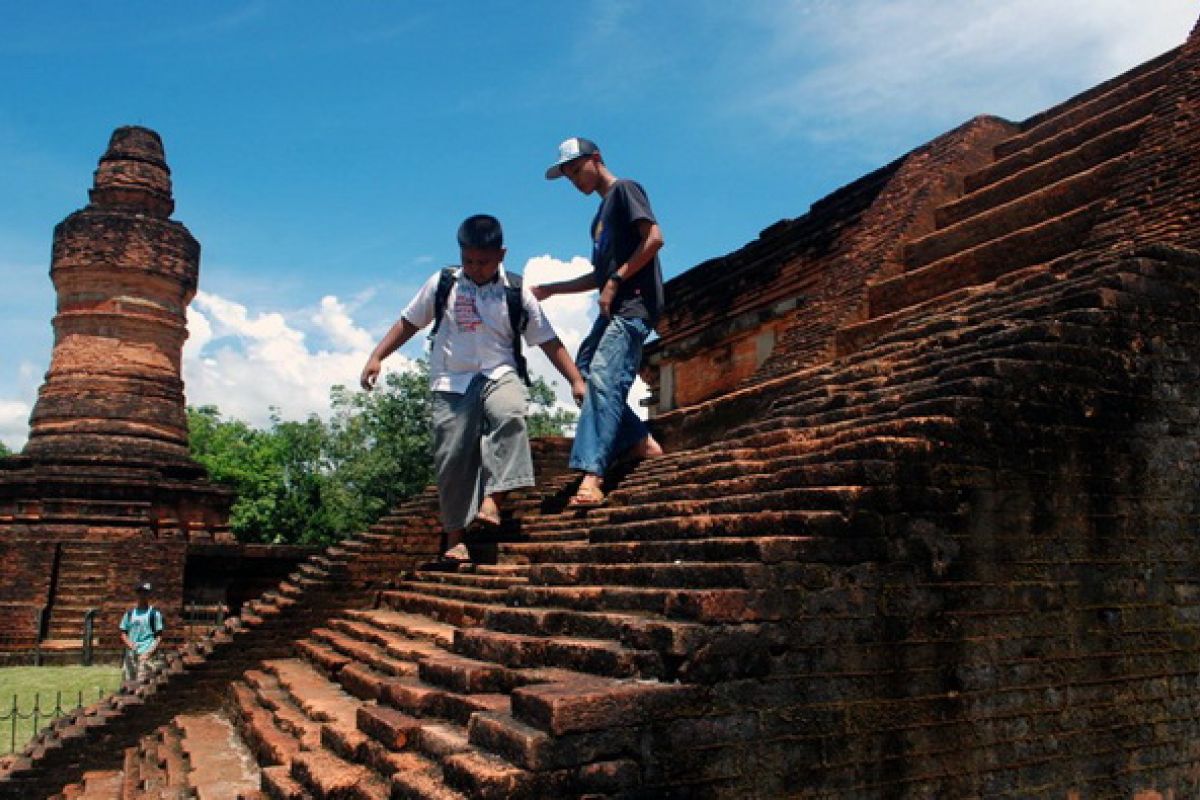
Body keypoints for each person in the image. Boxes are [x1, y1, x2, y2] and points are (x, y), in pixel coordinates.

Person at [361, 214, 586, 563]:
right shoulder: (444, 284)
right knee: (453, 456)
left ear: (501, 254)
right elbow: (409, 322)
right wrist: (377, 356)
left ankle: (493, 501)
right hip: (451, 379)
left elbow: (548, 341)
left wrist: (575, 379)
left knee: (511, 414)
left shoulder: (516, 291)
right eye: (468, 261)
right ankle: (455, 537)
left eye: (483, 262)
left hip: (499, 373)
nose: (475, 268)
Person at [535, 137, 665, 507]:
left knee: (605, 376)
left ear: (596, 159)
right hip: (615, 306)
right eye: (569, 176)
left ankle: (593, 475)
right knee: (585, 371)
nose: (574, 180)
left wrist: (616, 281)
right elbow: (598, 274)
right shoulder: (599, 218)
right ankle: (641, 441)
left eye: (577, 170)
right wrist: (554, 288)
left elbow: (654, 239)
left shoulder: (625, 190)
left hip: (634, 305)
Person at [119, 582, 163, 683]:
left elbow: (159, 637)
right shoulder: (130, 614)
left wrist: (149, 653)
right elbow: (123, 633)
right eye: (141, 593)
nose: (143, 596)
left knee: (142, 684)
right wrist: (130, 644)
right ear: (137, 594)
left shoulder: (154, 614)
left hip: (146, 654)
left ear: (148, 595)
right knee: (127, 684)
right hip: (131, 654)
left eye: (145, 593)